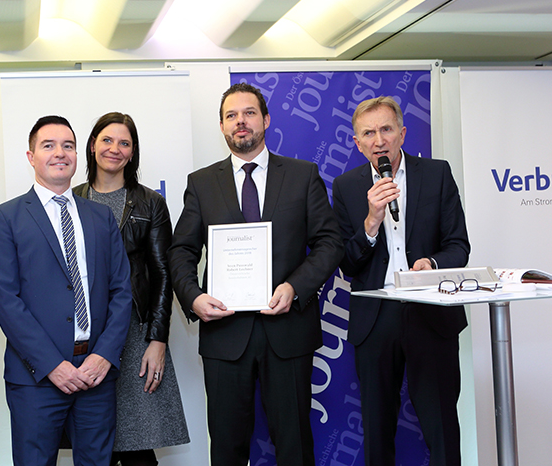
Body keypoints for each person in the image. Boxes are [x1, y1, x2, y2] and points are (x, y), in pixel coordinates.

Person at [168, 83, 344, 466]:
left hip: (288, 331)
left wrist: (295, 287)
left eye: (248, 113)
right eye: (231, 116)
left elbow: (330, 243)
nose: (240, 122)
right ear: (222, 127)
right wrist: (194, 297)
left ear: (266, 119)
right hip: (224, 336)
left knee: (294, 444)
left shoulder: (302, 175)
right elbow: (181, 251)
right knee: (228, 448)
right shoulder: (201, 183)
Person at [0, 115, 132, 466]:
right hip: (36, 377)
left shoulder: (100, 217)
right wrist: (52, 365)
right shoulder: (6, 218)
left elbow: (122, 291)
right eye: (48, 145)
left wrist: (104, 355)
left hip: (96, 373)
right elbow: (5, 300)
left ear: (79, 155)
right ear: (31, 156)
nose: (59, 153)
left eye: (68, 146)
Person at [332, 96, 470, 466]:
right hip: (375, 320)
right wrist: (371, 222)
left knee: (441, 427)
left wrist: (433, 263)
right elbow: (347, 262)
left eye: (386, 129)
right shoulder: (345, 187)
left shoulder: (437, 173)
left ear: (402, 134)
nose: (379, 140)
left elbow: (459, 245)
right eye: (369, 133)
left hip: (432, 314)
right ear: (357, 142)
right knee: (377, 431)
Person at [73, 112, 189, 466]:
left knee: (139, 443)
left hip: (137, 335)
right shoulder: (71, 200)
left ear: (133, 152)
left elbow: (162, 274)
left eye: (124, 143)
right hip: (84, 336)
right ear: (93, 145)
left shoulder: (150, 203)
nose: (115, 149)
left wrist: (158, 340)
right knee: (95, 443)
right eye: (107, 140)